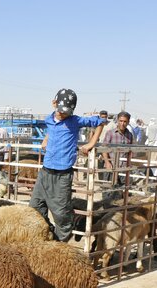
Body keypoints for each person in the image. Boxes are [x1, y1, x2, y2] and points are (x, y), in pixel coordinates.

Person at [29, 88, 106, 242]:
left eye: (66, 112)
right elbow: (53, 130)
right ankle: (49, 233)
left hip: (62, 173)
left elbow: (100, 122)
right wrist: (46, 139)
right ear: (54, 104)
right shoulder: (49, 120)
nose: (63, 114)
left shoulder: (75, 120)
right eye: (61, 111)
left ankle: (60, 243)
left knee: (61, 213)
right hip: (45, 171)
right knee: (35, 206)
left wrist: (91, 143)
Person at [101, 111, 135, 183]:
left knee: (122, 190)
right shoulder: (110, 133)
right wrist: (107, 162)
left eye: (125, 121)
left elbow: (131, 151)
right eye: (121, 121)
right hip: (111, 166)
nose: (122, 123)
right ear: (117, 121)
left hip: (124, 168)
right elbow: (104, 149)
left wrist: (129, 163)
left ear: (128, 122)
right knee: (108, 191)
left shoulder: (129, 135)